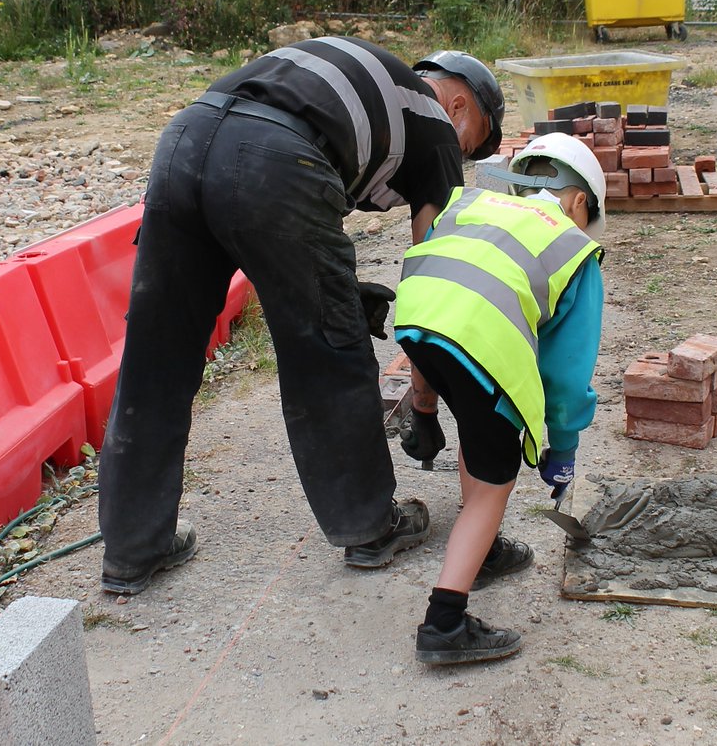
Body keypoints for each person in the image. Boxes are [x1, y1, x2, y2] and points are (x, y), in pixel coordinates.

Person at [98, 36, 505, 594]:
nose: (461, 160)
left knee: (157, 356)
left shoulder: (363, 85)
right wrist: (426, 407)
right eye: (473, 145)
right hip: (274, 155)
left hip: (186, 138)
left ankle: (132, 549)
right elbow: (432, 291)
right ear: (460, 107)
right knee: (329, 351)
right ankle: (370, 527)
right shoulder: (433, 122)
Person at [391, 132, 607, 664]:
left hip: (417, 321)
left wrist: (423, 399)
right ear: (580, 202)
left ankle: (482, 551)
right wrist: (563, 447)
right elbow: (563, 373)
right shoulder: (574, 248)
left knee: (479, 426)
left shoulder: (472, 203)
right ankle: (445, 623)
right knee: (494, 483)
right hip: (478, 345)